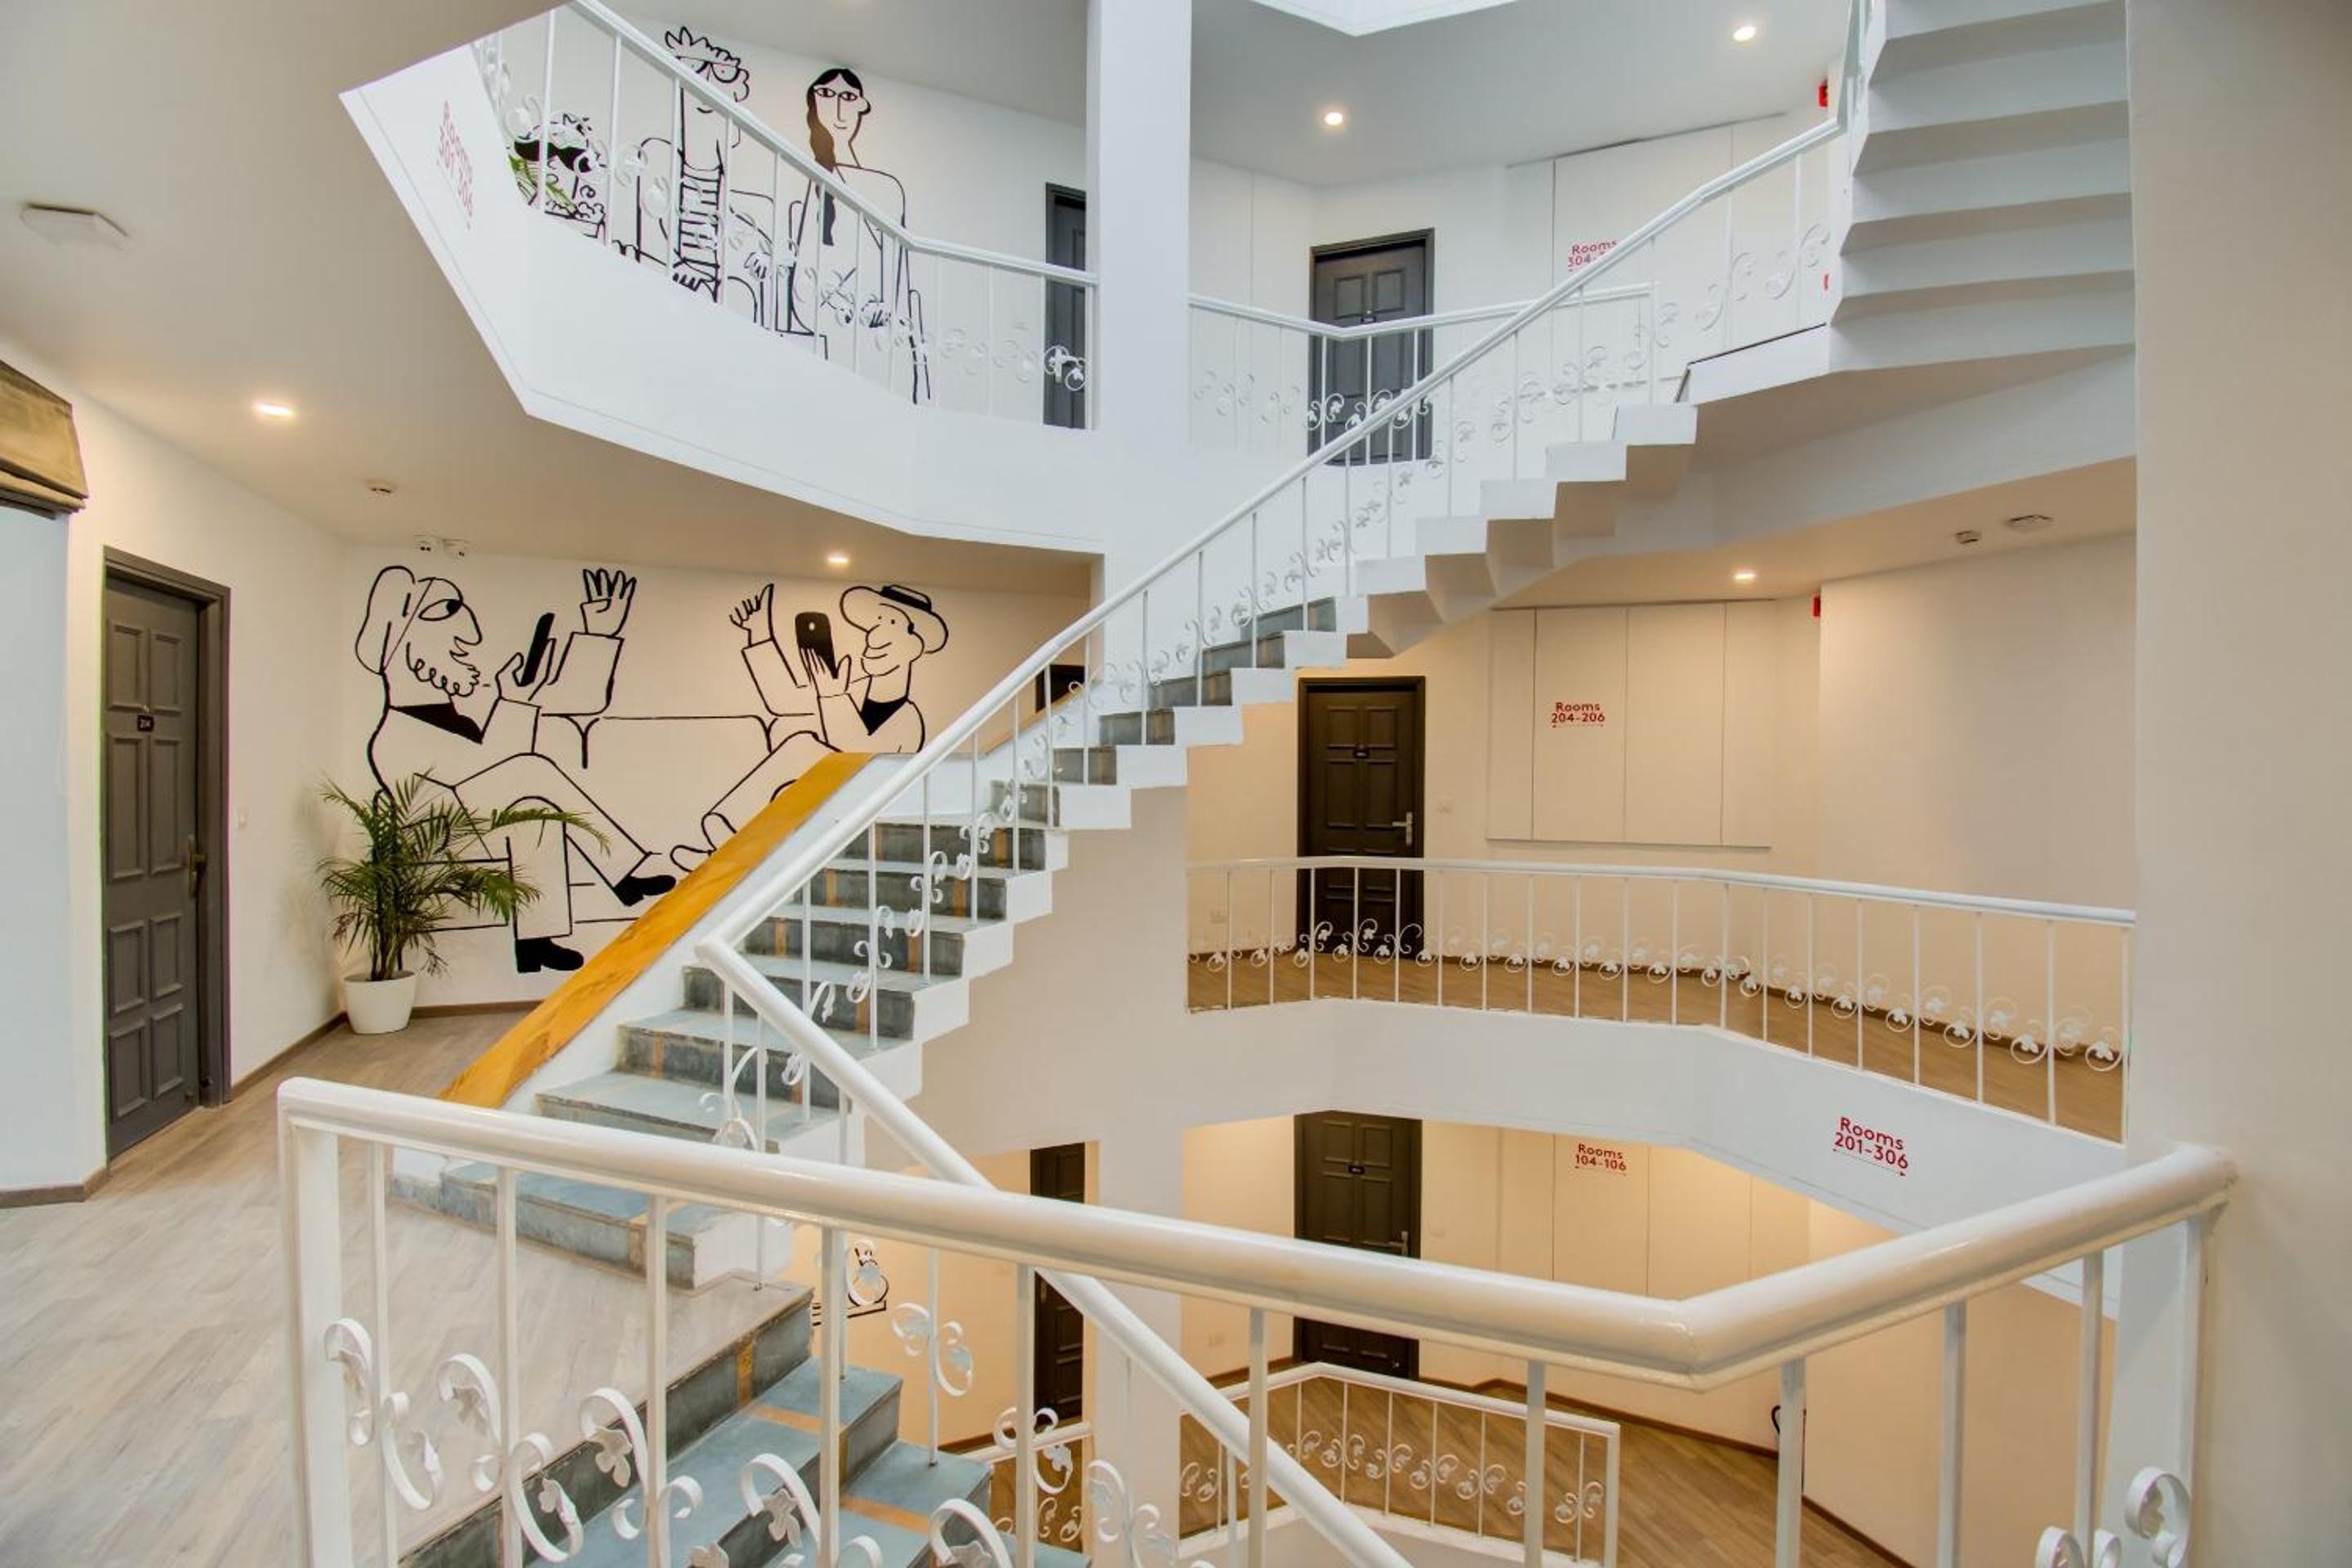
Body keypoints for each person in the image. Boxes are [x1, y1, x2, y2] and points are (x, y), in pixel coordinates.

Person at [354, 565, 675, 973]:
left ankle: (536, 943)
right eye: (455, 647)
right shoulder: (396, 735)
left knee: (534, 816)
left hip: (481, 817)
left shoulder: (448, 717)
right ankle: (624, 874)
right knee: (533, 773)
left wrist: (594, 636)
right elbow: (492, 775)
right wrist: (517, 704)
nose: (466, 652)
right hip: (447, 833)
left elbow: (500, 769)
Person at [670, 581, 948, 871]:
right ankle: (723, 845)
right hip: (830, 792)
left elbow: (856, 752)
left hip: (864, 803)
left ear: (915, 645)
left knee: (803, 744)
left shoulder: (908, 719)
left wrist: (831, 695)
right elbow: (783, 701)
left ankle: (727, 844)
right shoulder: (853, 687)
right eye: (877, 621)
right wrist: (759, 635)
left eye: (891, 623)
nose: (875, 634)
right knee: (801, 744)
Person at [782, 67, 929, 400]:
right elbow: (802, 282)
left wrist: (882, 307)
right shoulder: (811, 180)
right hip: (826, 313)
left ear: (861, 106)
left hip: (873, 322)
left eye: (848, 98)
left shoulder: (886, 187)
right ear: (814, 100)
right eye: (827, 94)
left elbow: (895, 276)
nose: (838, 109)